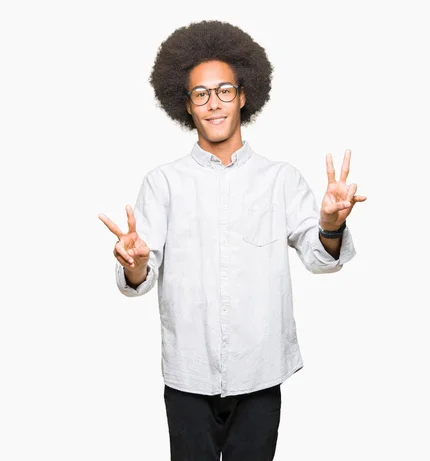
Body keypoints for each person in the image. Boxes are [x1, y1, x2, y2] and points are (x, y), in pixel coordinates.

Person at [98, 20, 366, 461]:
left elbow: (322, 259)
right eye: (201, 94)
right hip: (188, 376)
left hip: (260, 373)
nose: (214, 103)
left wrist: (330, 222)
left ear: (244, 95)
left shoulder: (280, 180)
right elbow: (141, 277)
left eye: (224, 90)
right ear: (186, 105)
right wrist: (133, 262)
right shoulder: (163, 184)